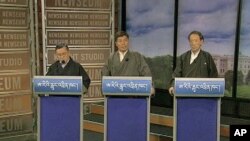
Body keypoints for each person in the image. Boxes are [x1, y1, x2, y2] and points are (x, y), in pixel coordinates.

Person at [102, 31, 155, 95]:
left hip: (134, 96)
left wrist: (151, 86)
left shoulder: (137, 56)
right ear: (116, 43)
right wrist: (104, 89)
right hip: (115, 96)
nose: (123, 43)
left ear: (128, 42)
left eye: (125, 40)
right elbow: (105, 76)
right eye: (120, 41)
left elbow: (146, 73)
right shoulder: (111, 58)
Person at [168, 30, 218, 95]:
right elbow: (176, 74)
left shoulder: (207, 57)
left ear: (201, 42)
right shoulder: (183, 57)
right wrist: (172, 86)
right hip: (185, 92)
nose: (193, 43)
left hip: (203, 93)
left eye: (196, 41)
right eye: (191, 41)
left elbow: (214, 76)